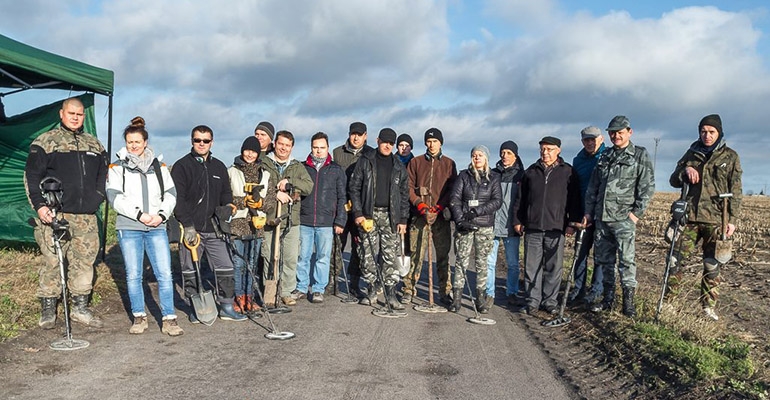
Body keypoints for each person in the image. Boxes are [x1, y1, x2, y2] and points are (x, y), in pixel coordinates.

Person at [25, 97, 106, 329]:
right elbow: (31, 177)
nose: (75, 118)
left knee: (84, 262)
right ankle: (48, 309)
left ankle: (80, 307)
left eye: (79, 114)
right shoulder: (46, 142)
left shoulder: (95, 145)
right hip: (55, 215)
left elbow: (103, 176)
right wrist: (40, 206)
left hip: (86, 217)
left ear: (83, 117)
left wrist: (97, 197)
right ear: (62, 114)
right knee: (52, 260)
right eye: (71, 113)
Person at [107, 116, 182, 336]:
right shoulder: (117, 167)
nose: (133, 146)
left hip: (157, 226)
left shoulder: (159, 167)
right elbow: (115, 197)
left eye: (137, 142)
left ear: (145, 142)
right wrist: (140, 215)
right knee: (133, 274)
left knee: (164, 273)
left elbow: (170, 194)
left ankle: (169, 318)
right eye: (129, 142)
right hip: (129, 227)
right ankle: (139, 316)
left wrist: (161, 215)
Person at [667, 114, 742, 321]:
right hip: (689, 218)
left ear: (719, 133)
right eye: (703, 131)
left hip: (717, 219)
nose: (707, 136)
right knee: (674, 259)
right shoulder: (691, 153)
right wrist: (685, 170)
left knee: (712, 265)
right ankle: (669, 303)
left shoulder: (730, 156)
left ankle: (708, 308)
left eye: (711, 132)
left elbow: (736, 191)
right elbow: (673, 179)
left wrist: (732, 221)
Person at [171, 125, 247, 322]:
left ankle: (226, 307)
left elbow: (226, 193)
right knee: (190, 270)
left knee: (225, 267)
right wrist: (187, 224)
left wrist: (228, 206)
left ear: (211, 142)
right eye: (198, 140)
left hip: (215, 228)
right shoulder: (181, 166)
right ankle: (195, 309)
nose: (201, 144)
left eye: (205, 141)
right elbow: (177, 199)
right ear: (192, 141)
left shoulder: (219, 167)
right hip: (191, 229)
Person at [584, 116, 655, 317]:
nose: (616, 136)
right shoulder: (605, 156)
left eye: (620, 132)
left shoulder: (639, 154)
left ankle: (628, 304)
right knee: (605, 261)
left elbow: (647, 187)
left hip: (624, 219)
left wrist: (635, 215)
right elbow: (593, 187)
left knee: (626, 261)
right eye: (612, 133)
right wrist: (589, 212)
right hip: (602, 218)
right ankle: (608, 299)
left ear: (629, 132)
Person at [514, 137, 581, 315]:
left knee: (554, 267)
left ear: (558, 150)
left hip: (556, 228)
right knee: (531, 267)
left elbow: (574, 200)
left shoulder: (568, 172)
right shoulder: (531, 172)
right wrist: (518, 221)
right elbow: (521, 199)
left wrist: (572, 223)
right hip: (533, 227)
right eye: (543, 149)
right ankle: (532, 301)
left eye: (549, 149)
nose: (545, 153)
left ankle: (550, 301)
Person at [348, 128, 409, 310]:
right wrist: (358, 213)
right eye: (385, 142)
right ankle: (371, 290)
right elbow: (354, 187)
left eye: (391, 143)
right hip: (369, 215)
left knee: (390, 256)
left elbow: (404, 195)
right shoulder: (365, 161)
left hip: (391, 216)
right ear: (377, 141)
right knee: (367, 254)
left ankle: (390, 294)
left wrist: (403, 219)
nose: (387, 145)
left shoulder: (398, 166)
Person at [403, 127, 457, 305]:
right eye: (429, 141)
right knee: (415, 253)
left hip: (440, 217)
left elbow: (453, 190)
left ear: (441, 143)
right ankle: (408, 289)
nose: (431, 144)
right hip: (420, 215)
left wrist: (438, 208)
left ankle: (445, 291)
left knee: (443, 256)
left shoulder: (449, 164)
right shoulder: (416, 162)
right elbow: (408, 187)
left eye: (435, 141)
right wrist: (421, 205)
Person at [260, 130, 314, 306]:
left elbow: (308, 186)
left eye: (287, 145)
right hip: (269, 218)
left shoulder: (297, 166)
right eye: (281, 144)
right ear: (275, 144)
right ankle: (270, 292)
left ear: (292, 147)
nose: (284, 148)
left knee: (290, 257)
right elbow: (258, 185)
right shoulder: (264, 163)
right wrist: (274, 193)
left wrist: (290, 184)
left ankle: (286, 291)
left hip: (291, 219)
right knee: (270, 257)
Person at [448, 145, 502, 313]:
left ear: (486, 158)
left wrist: (477, 211)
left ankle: (480, 299)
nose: (477, 158)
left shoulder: (494, 177)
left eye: (480, 155)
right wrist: (460, 220)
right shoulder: (464, 176)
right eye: (474, 155)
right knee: (461, 261)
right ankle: (456, 298)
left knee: (482, 263)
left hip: (484, 226)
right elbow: (455, 199)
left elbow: (497, 201)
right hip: (465, 226)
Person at [296, 132, 347, 303]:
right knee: (302, 256)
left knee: (323, 257)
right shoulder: (302, 168)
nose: (318, 151)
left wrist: (340, 220)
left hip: (326, 222)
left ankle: (318, 289)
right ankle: (301, 287)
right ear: (311, 148)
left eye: (322, 148)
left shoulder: (336, 170)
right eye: (315, 147)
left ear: (328, 148)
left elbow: (342, 197)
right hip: (305, 220)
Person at [228, 136, 276, 313]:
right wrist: (243, 202)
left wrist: (260, 203)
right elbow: (225, 197)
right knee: (238, 264)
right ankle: (238, 297)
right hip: (237, 224)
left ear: (258, 154)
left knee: (252, 264)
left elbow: (271, 200)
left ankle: (249, 297)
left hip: (257, 224)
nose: (250, 154)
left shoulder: (265, 174)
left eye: (253, 151)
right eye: (247, 150)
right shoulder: (231, 171)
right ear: (242, 151)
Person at [332, 122, 374, 297]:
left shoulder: (371, 154)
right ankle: (332, 281)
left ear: (365, 136)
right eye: (353, 134)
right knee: (337, 245)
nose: (356, 138)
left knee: (359, 247)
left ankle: (354, 283)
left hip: (360, 208)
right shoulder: (337, 152)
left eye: (359, 134)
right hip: (341, 206)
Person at [570, 126, 607, 305]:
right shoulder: (578, 160)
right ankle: (578, 289)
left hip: (603, 214)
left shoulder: (608, 157)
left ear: (601, 139)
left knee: (600, 255)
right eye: (587, 140)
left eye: (593, 139)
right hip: (583, 214)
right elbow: (575, 188)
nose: (590, 143)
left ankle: (596, 291)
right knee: (580, 253)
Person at [487, 141, 525, 308]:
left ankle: (512, 292)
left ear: (515, 155)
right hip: (492, 224)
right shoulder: (492, 174)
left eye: (509, 153)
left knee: (513, 264)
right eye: (502, 152)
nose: (505, 156)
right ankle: (489, 293)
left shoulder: (521, 175)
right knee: (489, 263)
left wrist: (520, 221)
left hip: (512, 225)